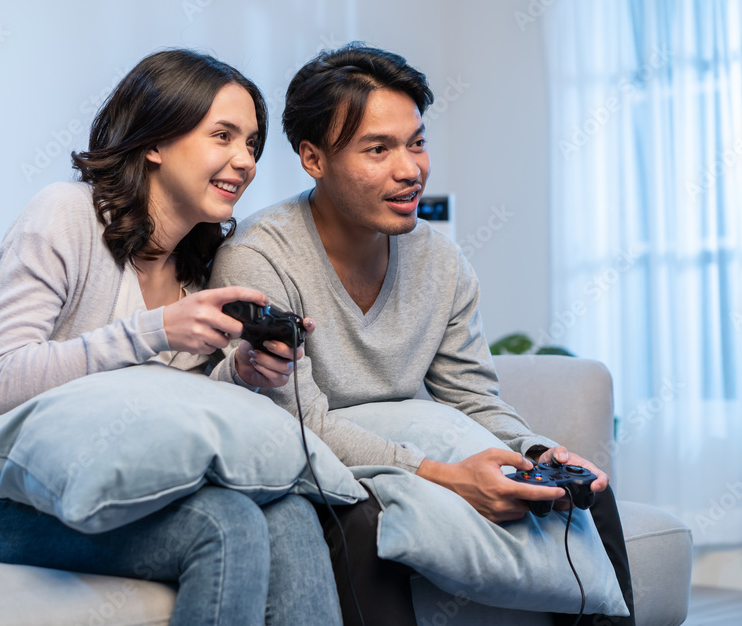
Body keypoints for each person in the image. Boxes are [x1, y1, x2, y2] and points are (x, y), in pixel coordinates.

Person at [0, 49, 342, 626]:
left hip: (112, 488)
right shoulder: (64, 216)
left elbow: (167, 412)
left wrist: (239, 374)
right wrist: (153, 330)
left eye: (251, 144)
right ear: (155, 141)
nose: (243, 161)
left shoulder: (200, 266)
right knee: (224, 523)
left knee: (290, 511)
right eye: (223, 135)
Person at [209, 43, 637, 626]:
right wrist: (448, 477)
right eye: (378, 150)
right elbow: (302, 425)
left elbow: (472, 397)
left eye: (417, 143)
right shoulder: (259, 258)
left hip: (411, 453)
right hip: (319, 468)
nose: (410, 169)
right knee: (362, 522)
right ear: (313, 158)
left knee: (585, 493)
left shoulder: (441, 259)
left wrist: (533, 451)